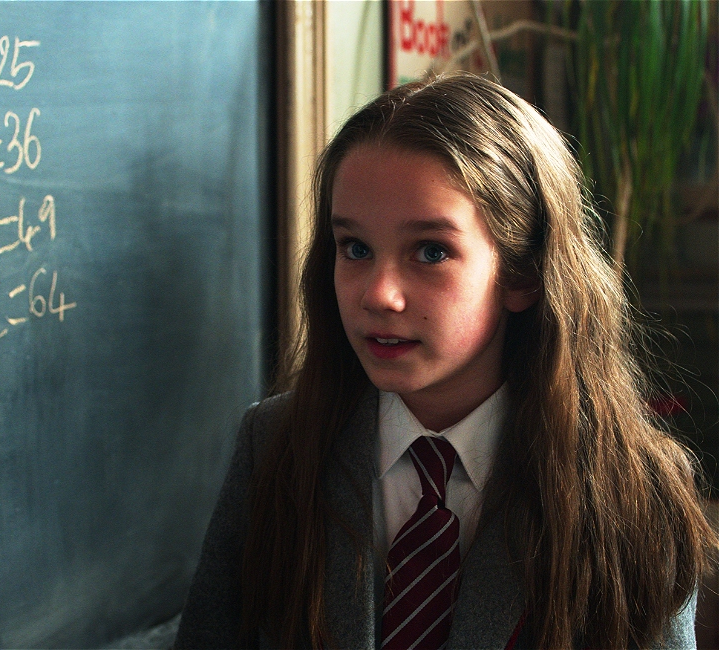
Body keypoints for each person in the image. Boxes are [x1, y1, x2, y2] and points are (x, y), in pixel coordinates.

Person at [174, 73, 717, 649]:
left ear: (523, 274)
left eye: (431, 252)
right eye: (355, 248)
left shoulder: (633, 492)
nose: (379, 295)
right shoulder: (276, 446)